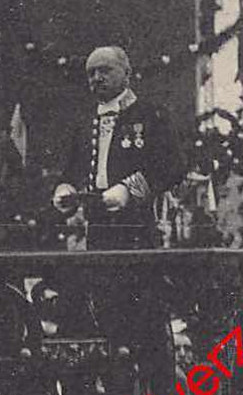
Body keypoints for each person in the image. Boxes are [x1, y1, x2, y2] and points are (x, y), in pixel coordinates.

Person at [53, 46, 180, 251]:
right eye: (91, 73)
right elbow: (72, 169)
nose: (97, 77)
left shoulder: (151, 115)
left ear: (127, 73)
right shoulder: (85, 122)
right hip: (96, 227)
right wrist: (65, 188)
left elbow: (172, 166)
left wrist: (128, 190)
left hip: (138, 226)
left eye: (105, 70)